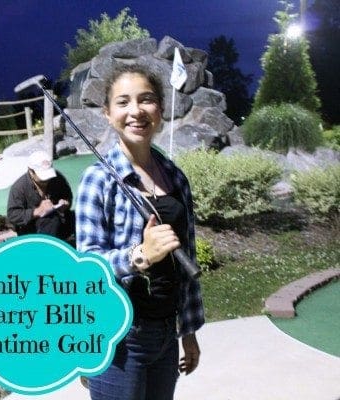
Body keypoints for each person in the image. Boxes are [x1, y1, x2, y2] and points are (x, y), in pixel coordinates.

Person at [75, 64, 204, 400]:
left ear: (159, 109)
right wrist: (139, 255)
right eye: (123, 102)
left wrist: (188, 331)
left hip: (166, 333)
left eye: (146, 99)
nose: (136, 111)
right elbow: (86, 269)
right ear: (107, 113)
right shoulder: (98, 179)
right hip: (119, 335)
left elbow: (185, 258)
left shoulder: (175, 177)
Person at [6, 150, 74, 241]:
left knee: (77, 216)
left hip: (59, 222)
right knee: (51, 219)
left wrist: (65, 204)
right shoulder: (19, 187)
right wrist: (37, 211)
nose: (47, 180)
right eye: (43, 178)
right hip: (31, 229)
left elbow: (68, 196)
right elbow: (12, 216)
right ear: (31, 171)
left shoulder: (58, 178)